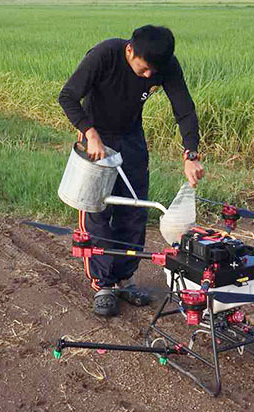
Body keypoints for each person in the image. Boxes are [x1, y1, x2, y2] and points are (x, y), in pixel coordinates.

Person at [58, 25, 204, 317]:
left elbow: (184, 108)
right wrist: (89, 132)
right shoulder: (105, 55)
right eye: (144, 69)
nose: (150, 77)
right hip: (97, 137)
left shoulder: (164, 64)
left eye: (154, 72)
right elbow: (68, 97)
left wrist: (191, 153)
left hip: (131, 138)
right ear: (129, 51)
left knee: (135, 209)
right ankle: (103, 285)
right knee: (98, 209)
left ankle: (124, 279)